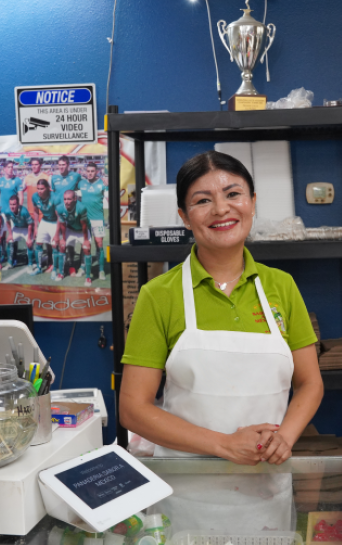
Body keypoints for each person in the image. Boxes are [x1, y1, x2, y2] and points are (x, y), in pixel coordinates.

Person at [119, 151, 323, 533]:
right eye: (202, 200)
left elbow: (311, 383)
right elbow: (133, 409)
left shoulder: (281, 287)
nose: (221, 209)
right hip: (186, 496)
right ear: (183, 215)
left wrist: (286, 437)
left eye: (233, 194)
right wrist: (224, 445)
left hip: (266, 489)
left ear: (252, 203)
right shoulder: (158, 295)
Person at [79, 162, 107, 282]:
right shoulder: (81, 183)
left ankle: (101, 269)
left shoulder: (102, 183)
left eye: (92, 171)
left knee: (99, 243)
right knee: (85, 244)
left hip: (98, 219)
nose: (90, 173)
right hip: (85, 220)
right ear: (85, 172)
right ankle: (82, 266)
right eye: (88, 171)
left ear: (96, 172)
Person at [56, 189, 91, 283]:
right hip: (70, 229)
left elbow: (84, 225)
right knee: (62, 246)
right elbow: (62, 225)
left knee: (86, 248)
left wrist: (86, 240)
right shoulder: (59, 208)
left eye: (69, 199)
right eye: (65, 199)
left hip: (81, 230)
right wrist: (63, 239)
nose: (66, 202)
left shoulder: (81, 207)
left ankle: (87, 276)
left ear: (75, 199)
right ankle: (61, 273)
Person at [32, 179, 60, 275]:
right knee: (38, 243)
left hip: (55, 221)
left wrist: (57, 233)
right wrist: (36, 227)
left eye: (42, 189)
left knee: (54, 245)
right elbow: (36, 212)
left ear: (48, 188)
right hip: (44, 220)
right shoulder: (35, 197)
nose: (39, 191)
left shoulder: (55, 197)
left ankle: (55, 269)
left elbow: (59, 217)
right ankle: (39, 268)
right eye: (38, 188)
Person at [3, 195, 37, 272]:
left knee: (29, 243)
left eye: (14, 204)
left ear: (18, 204)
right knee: (10, 241)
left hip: (26, 228)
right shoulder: (7, 211)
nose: (12, 206)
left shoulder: (24, 211)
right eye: (11, 204)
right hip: (17, 227)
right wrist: (10, 234)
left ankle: (30, 264)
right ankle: (9, 263)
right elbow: (8, 222)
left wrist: (29, 238)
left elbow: (30, 224)